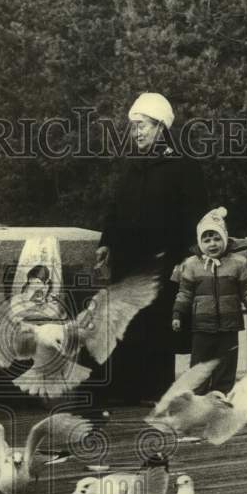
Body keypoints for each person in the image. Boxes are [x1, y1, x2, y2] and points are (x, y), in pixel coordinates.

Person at [94, 92, 209, 405]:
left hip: (164, 261)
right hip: (129, 260)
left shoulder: (182, 166)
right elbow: (116, 209)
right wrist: (107, 242)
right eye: (133, 127)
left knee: (158, 324)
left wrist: (189, 255)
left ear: (161, 127)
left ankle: (155, 390)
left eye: (143, 125)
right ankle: (125, 388)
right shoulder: (132, 167)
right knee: (128, 321)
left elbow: (196, 215)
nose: (137, 132)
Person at [171, 207, 247, 394]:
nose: (212, 244)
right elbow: (184, 293)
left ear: (224, 238)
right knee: (200, 363)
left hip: (229, 324)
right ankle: (197, 396)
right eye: (207, 240)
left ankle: (221, 394)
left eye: (216, 238)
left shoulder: (238, 263)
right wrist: (177, 313)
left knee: (226, 362)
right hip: (202, 325)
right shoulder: (191, 265)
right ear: (200, 243)